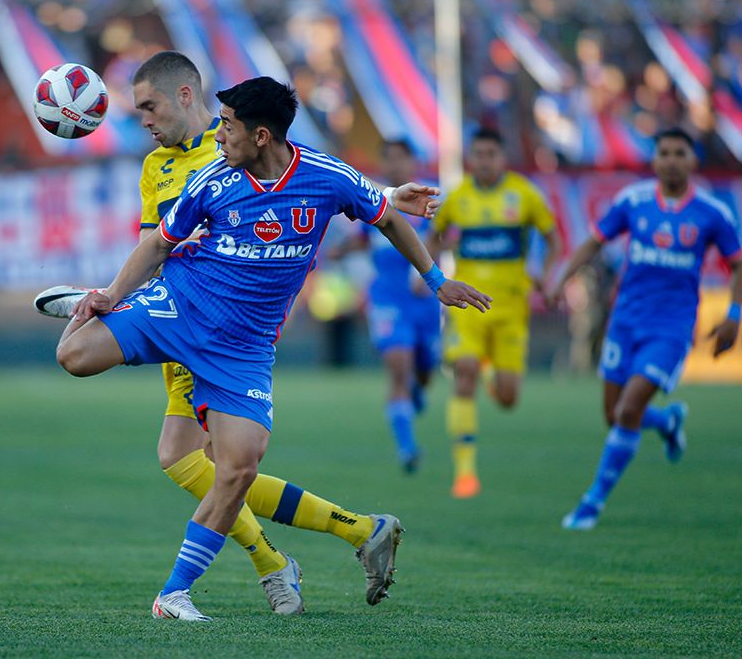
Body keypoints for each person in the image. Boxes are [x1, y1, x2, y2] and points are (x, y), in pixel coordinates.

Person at [36, 53, 463, 617]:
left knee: (211, 464)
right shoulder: (166, 168)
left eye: (149, 106)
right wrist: (112, 294)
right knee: (180, 452)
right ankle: (310, 549)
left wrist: (393, 208)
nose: (143, 119)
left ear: (187, 97)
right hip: (179, 308)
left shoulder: (235, 134)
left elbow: (316, 177)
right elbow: (158, 242)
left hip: (241, 339)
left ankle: (275, 561)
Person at [547, 128, 742, 530]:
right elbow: (594, 242)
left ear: (692, 161)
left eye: (679, 152)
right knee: (614, 415)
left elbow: (739, 265)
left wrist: (734, 315)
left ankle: (591, 504)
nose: (672, 160)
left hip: (671, 328)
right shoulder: (633, 202)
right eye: (664, 153)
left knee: (627, 410)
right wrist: (562, 277)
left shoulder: (712, 214)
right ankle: (668, 420)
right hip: (625, 321)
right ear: (654, 161)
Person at [405, 128, 561, 498]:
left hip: (510, 308)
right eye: (479, 154)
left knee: (507, 398)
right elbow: (432, 236)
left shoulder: (523, 195)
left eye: (492, 154)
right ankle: (465, 472)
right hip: (466, 305)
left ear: (502, 157)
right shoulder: (457, 198)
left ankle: (489, 366)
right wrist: (426, 272)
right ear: (471, 158)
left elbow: (553, 238)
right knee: (465, 372)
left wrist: (545, 273)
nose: (485, 161)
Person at [330, 139, 441, 473]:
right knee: (398, 367)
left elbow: (447, 235)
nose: (392, 165)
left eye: (399, 158)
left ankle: (416, 392)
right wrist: (342, 251)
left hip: (424, 303)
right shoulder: (379, 204)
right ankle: (407, 448)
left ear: (412, 162)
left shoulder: (430, 204)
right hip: (387, 300)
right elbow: (365, 238)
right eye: (387, 159)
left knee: (425, 369)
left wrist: (430, 267)